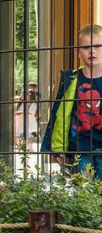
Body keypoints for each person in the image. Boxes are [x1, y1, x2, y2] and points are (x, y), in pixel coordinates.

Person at [42, 24, 102, 179]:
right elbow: (60, 115)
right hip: (80, 148)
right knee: (84, 191)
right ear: (78, 52)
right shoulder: (71, 79)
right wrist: (57, 147)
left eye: (97, 46)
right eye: (86, 47)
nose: (92, 51)